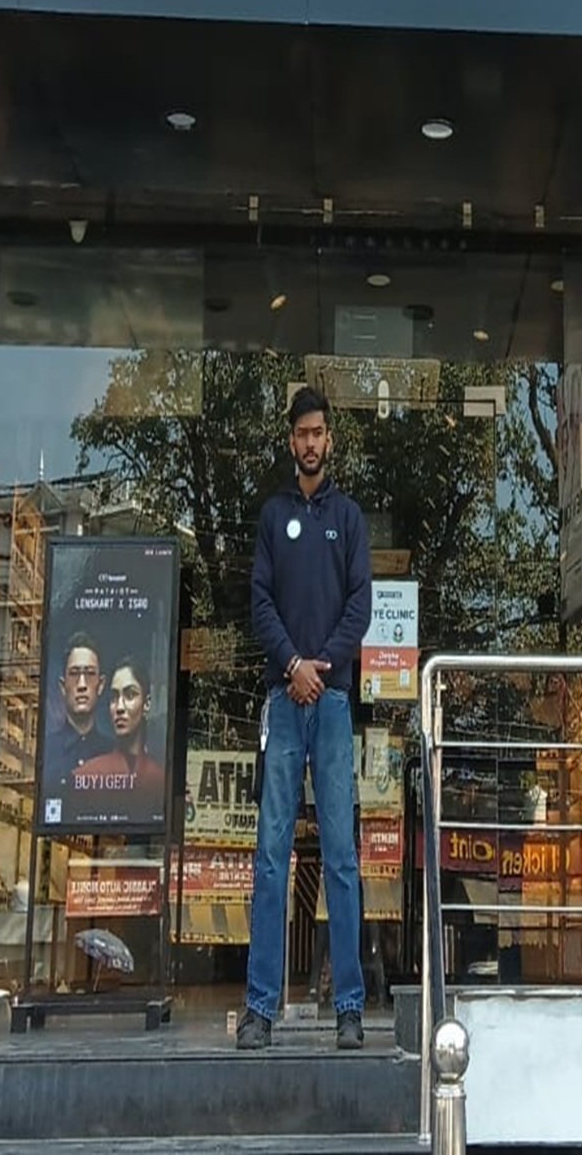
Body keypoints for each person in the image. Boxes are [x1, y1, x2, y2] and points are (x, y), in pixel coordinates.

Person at [237, 387, 371, 1052]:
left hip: (334, 702)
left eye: (319, 432)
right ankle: (258, 1009)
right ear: (290, 441)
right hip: (285, 701)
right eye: (302, 433)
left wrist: (321, 666)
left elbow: (360, 605)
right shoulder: (273, 516)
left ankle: (349, 1007)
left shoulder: (348, 517)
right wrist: (292, 664)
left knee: (341, 858)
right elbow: (259, 600)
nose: (311, 442)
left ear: (329, 439)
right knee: (271, 856)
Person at [70, 656, 166, 825]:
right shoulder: (85, 776)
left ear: (146, 704)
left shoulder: (161, 781)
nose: (119, 708)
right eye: (114, 698)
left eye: (130, 695)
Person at [41, 631, 113, 800]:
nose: (82, 684)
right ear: (62, 686)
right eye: (74, 674)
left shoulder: (114, 753)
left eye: (89, 674)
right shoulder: (46, 752)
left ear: (101, 685)